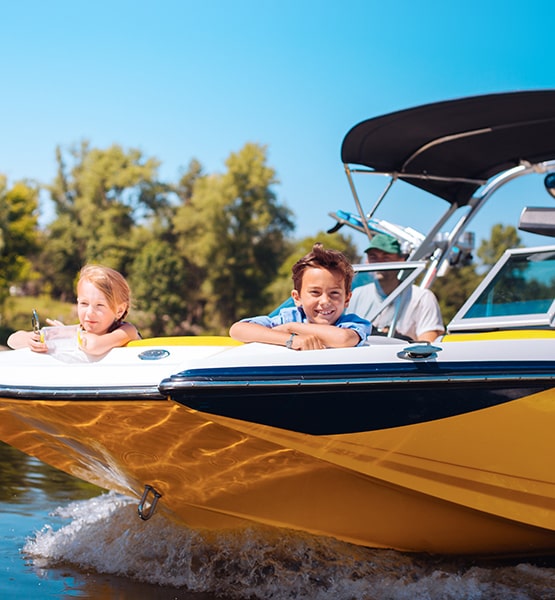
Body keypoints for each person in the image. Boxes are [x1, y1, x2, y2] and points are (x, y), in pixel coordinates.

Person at [229, 243, 371, 350]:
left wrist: (292, 327)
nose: (325, 301)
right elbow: (238, 329)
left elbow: (343, 339)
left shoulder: (353, 324)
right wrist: (291, 339)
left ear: (347, 299)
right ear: (297, 298)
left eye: (334, 293)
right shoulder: (289, 317)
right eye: (315, 292)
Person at [7, 264, 140, 355]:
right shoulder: (79, 331)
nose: (89, 313)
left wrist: (66, 334)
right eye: (84, 303)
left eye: (100, 305)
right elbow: (12, 340)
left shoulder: (127, 331)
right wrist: (36, 339)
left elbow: (93, 345)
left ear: (120, 310)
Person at [348, 233, 444, 342]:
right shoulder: (357, 294)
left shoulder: (422, 298)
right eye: (373, 257)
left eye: (386, 257)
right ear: (366, 261)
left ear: (401, 260)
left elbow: (428, 345)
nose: (379, 263)